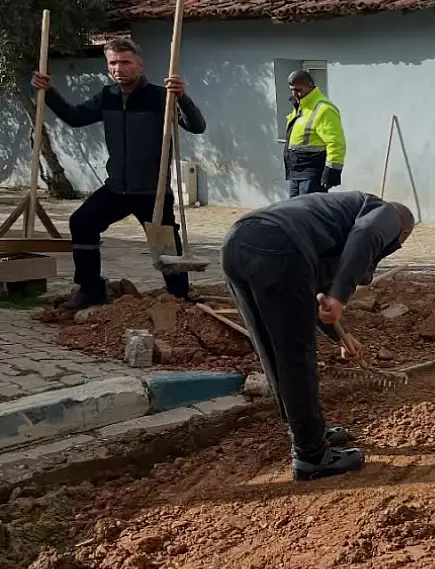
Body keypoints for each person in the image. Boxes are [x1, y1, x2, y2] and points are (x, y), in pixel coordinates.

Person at [221, 192, 415, 481]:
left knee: (275, 350)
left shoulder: (330, 224)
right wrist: (341, 296)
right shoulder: (385, 213)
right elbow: (367, 234)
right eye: (397, 243)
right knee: (296, 356)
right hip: (278, 244)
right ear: (401, 235)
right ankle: (311, 456)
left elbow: (311, 298)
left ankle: (306, 431)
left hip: (238, 242)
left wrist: (341, 335)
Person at [31, 38, 205, 310]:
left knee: (165, 246)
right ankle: (91, 289)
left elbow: (197, 126)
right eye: (113, 63)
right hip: (116, 189)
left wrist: (182, 96)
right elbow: (75, 117)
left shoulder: (162, 96)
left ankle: (180, 299)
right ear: (107, 66)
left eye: (125, 62)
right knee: (82, 223)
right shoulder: (107, 96)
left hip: (152, 190)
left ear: (139, 64)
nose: (119, 68)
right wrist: (49, 91)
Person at [284, 70, 346, 197]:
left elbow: (336, 142)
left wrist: (332, 170)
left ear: (310, 86)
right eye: (292, 90)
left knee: (309, 213)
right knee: (293, 213)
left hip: (312, 174)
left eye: (299, 90)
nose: (295, 94)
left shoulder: (324, 109)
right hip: (296, 172)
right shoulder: (301, 106)